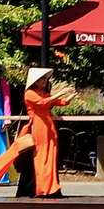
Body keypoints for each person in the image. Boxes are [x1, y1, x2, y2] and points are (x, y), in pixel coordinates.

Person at [9, 67, 66, 198]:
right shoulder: (29, 93)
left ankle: (50, 187)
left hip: (48, 127)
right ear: (35, 81)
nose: (44, 81)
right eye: (41, 79)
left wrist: (68, 96)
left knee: (50, 156)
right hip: (38, 127)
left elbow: (59, 102)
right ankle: (41, 187)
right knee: (40, 157)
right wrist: (60, 93)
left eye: (45, 79)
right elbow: (42, 102)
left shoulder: (43, 93)